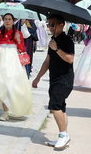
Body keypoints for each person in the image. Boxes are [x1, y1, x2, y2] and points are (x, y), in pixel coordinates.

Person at [32, 15, 75, 150]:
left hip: (64, 79)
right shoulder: (53, 40)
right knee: (60, 108)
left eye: (53, 24)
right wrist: (38, 77)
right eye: (49, 24)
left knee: (54, 107)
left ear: (61, 25)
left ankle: (63, 135)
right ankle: (63, 136)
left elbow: (70, 59)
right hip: (54, 78)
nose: (50, 27)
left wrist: (57, 48)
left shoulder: (67, 40)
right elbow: (47, 61)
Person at [0, 13, 32, 121]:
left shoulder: (18, 33)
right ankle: (5, 110)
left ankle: (11, 109)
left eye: (10, 19)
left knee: (12, 84)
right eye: (6, 19)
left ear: (13, 21)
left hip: (13, 61)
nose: (7, 21)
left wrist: (19, 40)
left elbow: (22, 49)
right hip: (0, 59)